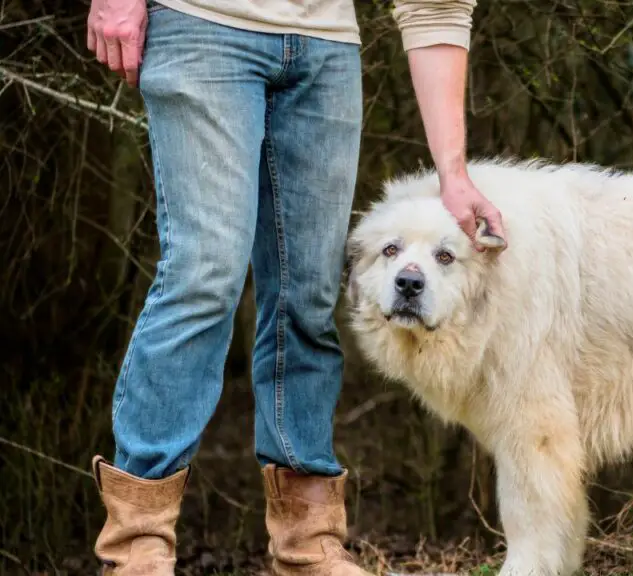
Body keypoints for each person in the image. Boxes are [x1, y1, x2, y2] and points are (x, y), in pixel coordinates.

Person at [84, 0, 505, 572]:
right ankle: (138, 544)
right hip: (203, 24)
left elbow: (435, 7)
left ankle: (308, 546)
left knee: (307, 297)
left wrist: (453, 175)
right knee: (204, 277)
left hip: (325, 47)